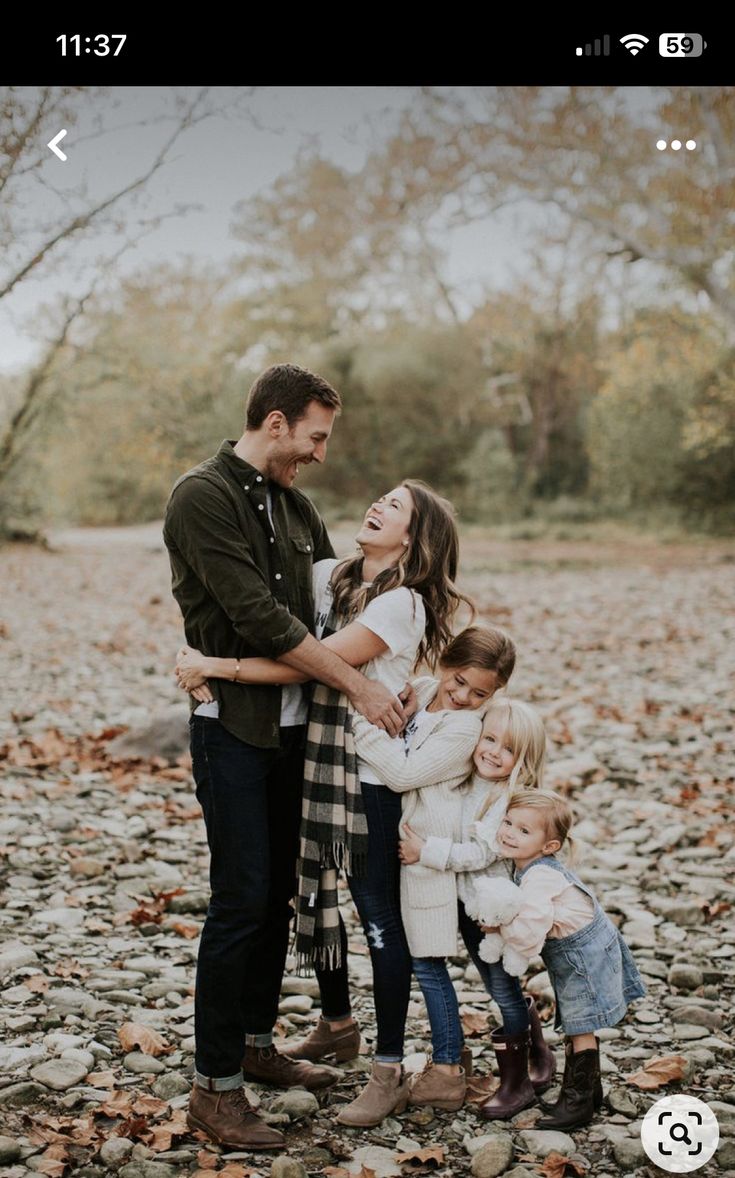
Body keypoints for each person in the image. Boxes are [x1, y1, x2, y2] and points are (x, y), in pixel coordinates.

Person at [164, 363, 410, 1153]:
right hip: (233, 727)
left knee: (278, 900)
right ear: (274, 422)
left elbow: (341, 607)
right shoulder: (201, 496)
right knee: (240, 900)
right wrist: (361, 691)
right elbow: (259, 617)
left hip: (298, 731)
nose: (319, 453)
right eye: (314, 435)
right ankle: (214, 1088)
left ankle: (254, 1042)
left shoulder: (298, 508)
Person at [175, 478, 470, 1130]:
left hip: (367, 776)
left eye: (395, 507)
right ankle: (337, 1026)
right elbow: (268, 607)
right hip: (316, 764)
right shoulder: (333, 579)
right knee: (311, 893)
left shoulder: (397, 604)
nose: (376, 505)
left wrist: (214, 667)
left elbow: (311, 661)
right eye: (381, 497)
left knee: (378, 920)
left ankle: (390, 1068)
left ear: (414, 540)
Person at [395, 698, 553, 1118]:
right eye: (489, 739)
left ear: (524, 760)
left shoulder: (506, 797)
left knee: (500, 987)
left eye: (507, 748)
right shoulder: (464, 778)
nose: (493, 752)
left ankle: (517, 1080)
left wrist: (426, 851)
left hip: (495, 912)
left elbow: (482, 852)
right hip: (465, 903)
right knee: (497, 985)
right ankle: (537, 1050)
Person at [489, 788, 646, 1129]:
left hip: (583, 957)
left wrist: (497, 924)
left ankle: (577, 1104)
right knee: (578, 1021)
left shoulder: (540, 877)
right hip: (583, 949)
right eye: (508, 822)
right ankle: (589, 1091)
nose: (510, 833)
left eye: (524, 831)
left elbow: (528, 934)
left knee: (579, 1024)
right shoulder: (528, 866)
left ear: (550, 847)